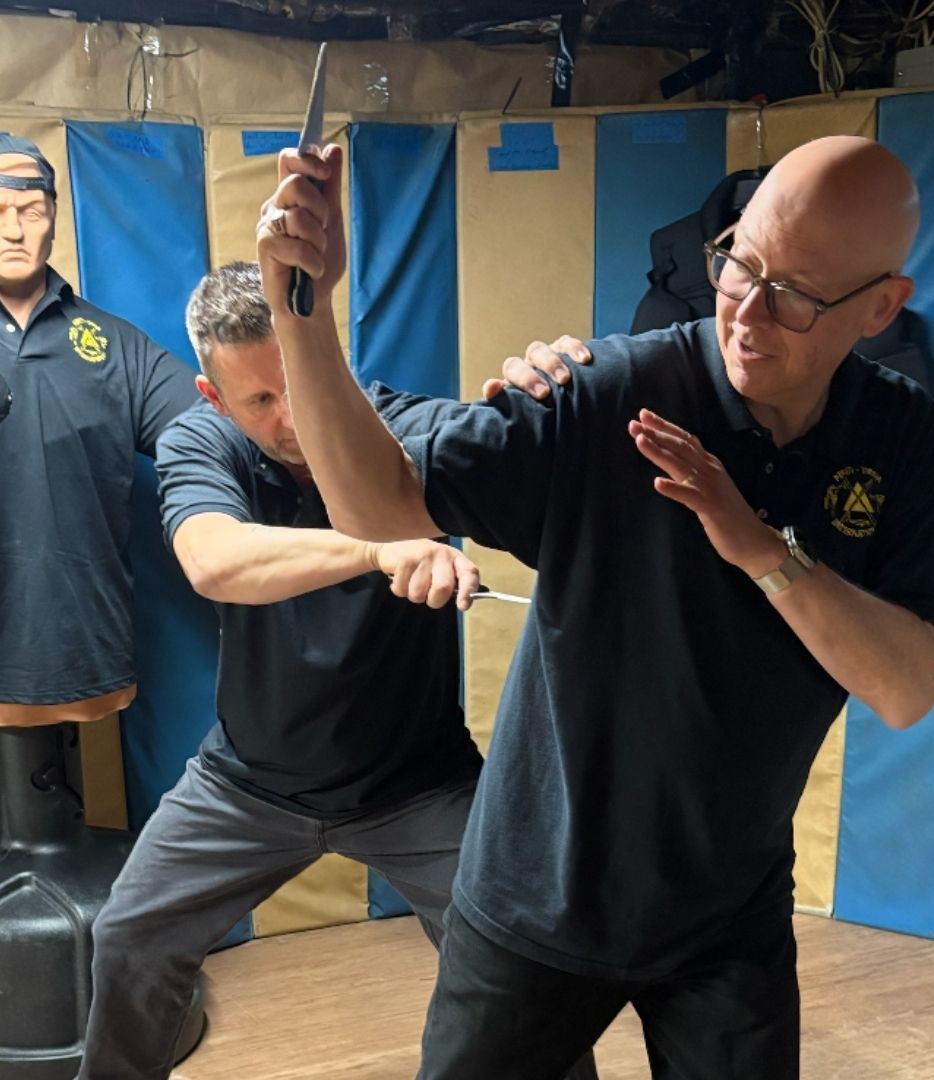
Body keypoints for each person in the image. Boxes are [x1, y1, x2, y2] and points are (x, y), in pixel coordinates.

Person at [255, 134, 934, 1079]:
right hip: (534, 899)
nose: (747, 312)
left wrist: (760, 549)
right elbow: (374, 502)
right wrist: (302, 311)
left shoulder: (898, 429)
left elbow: (909, 688)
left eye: (794, 294)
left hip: (730, 910)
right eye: (738, 263)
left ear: (881, 306)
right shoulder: (613, 391)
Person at [77, 261, 599, 1080]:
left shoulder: (409, 431)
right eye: (260, 401)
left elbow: (544, 467)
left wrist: (566, 393)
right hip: (248, 785)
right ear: (216, 400)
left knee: (529, 962)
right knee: (129, 936)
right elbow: (214, 560)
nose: (291, 417)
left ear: (331, 357)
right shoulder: (199, 440)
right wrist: (379, 547)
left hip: (418, 786)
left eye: (299, 382)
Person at [0, 132, 197, 725]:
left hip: (82, 656)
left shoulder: (112, 344)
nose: (14, 230)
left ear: (55, 218)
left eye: (31, 211)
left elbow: (222, 426)